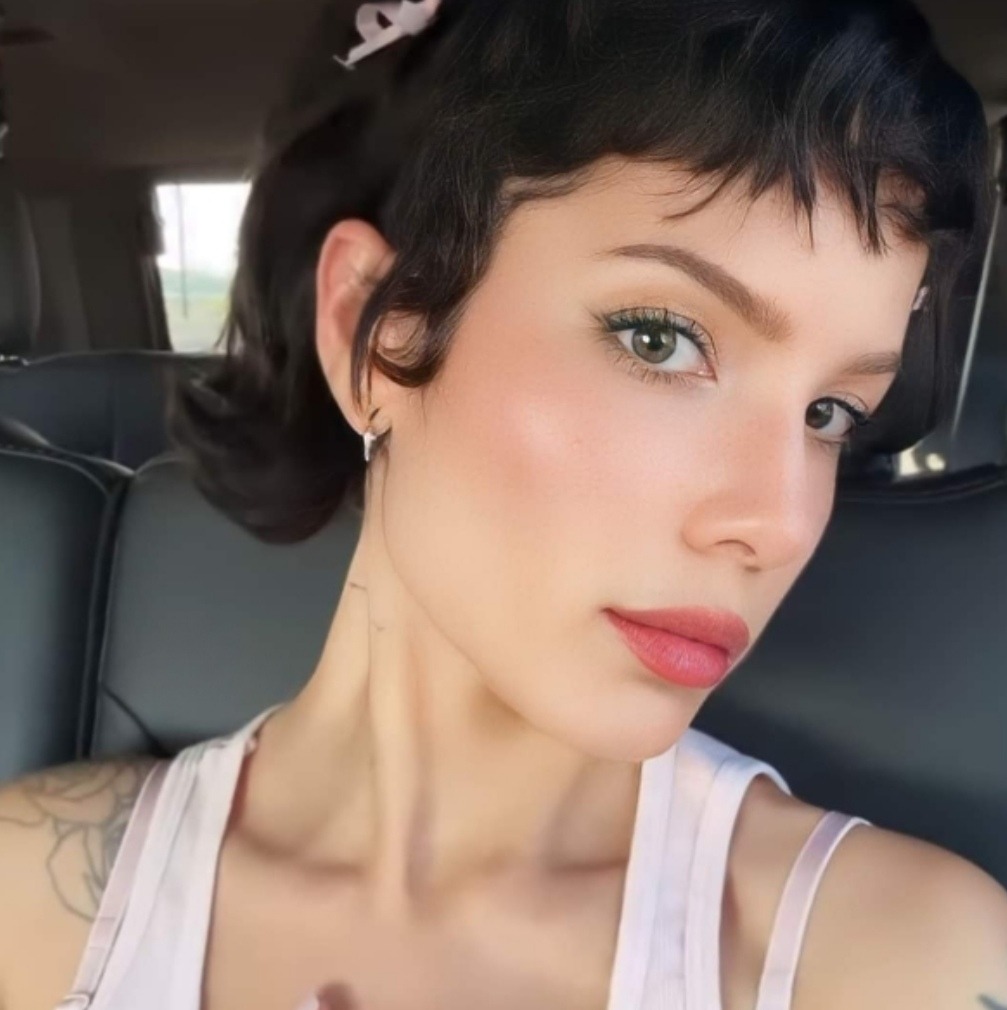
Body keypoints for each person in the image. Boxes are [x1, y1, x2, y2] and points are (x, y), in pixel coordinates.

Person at [1, 1, 1006, 1008]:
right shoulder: (30, 895)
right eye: (659, 339)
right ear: (377, 333)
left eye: (829, 413)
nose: (776, 523)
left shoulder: (903, 958)